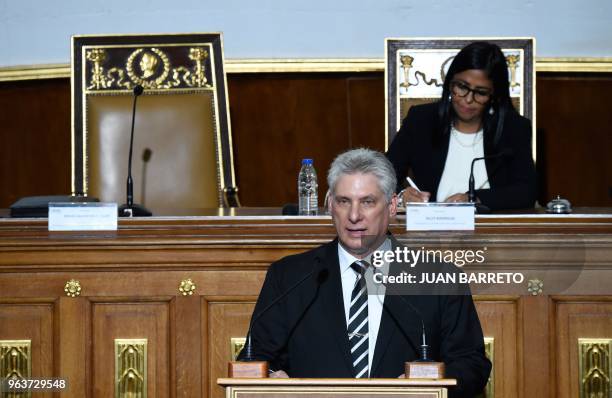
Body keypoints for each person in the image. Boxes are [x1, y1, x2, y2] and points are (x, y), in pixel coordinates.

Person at [239, 148, 491, 397]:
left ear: (392, 206)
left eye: (367, 202)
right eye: (343, 201)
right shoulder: (290, 276)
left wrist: (431, 385)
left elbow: (471, 365)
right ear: (330, 206)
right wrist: (270, 380)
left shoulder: (438, 277)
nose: (354, 216)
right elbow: (253, 358)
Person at [387, 41, 537, 211]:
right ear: (450, 83)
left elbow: (527, 191)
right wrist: (401, 196)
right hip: (430, 228)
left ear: (494, 95)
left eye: (480, 92)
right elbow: (381, 177)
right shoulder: (421, 120)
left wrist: (474, 198)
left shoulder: (513, 128)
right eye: (462, 87)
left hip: (491, 230)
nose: (468, 99)